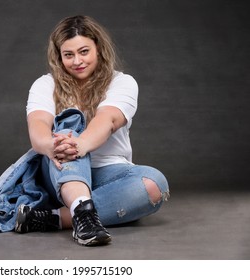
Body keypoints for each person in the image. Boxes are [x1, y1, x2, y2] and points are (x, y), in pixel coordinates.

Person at [13, 15, 170, 246]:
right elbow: (37, 125)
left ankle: (54, 218)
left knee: (154, 184)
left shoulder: (122, 82)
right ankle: (82, 216)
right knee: (68, 130)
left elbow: (107, 120)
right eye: (68, 55)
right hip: (60, 169)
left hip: (108, 172)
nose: (77, 61)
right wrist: (53, 146)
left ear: (99, 49)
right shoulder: (45, 84)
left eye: (84, 51)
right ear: (59, 57)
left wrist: (79, 145)